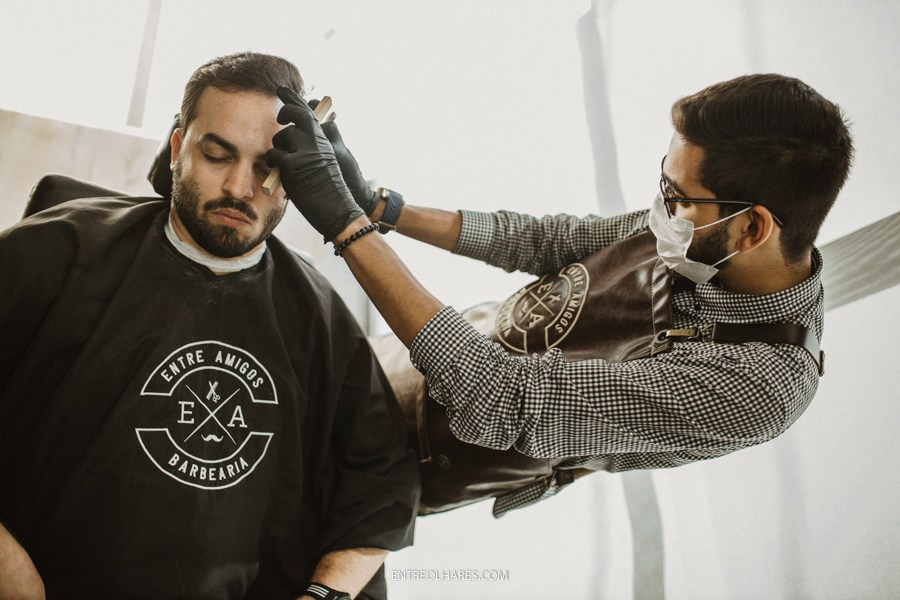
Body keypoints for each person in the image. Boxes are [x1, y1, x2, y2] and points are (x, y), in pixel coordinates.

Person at [265, 74, 852, 511]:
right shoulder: (696, 229)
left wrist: (348, 229)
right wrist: (379, 206)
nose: (659, 209)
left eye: (676, 197)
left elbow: (499, 397)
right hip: (400, 360)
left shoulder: (757, 386)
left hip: (400, 458)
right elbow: (548, 241)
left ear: (752, 228)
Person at [0, 52, 418, 600]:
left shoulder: (320, 317)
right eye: (217, 156)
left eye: (269, 169)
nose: (241, 188)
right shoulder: (56, 251)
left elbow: (383, 487)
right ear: (178, 150)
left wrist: (323, 595)